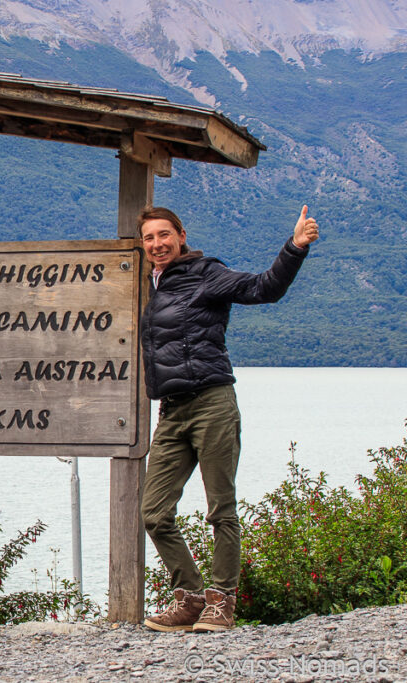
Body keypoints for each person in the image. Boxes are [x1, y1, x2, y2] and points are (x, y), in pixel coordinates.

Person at [138, 205, 320, 632]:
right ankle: (191, 598)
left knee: (221, 508)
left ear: (181, 235)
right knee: (154, 513)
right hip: (171, 409)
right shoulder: (148, 282)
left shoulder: (206, 272)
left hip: (212, 402)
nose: (157, 244)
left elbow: (264, 288)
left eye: (164, 235)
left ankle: (222, 602)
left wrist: (294, 247)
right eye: (149, 238)